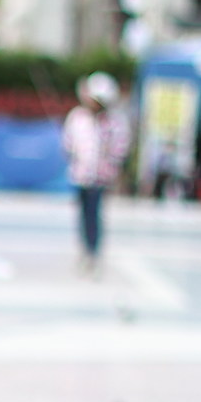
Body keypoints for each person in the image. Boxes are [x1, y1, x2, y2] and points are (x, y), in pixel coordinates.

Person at [61, 73, 129, 271]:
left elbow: (120, 149)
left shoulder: (114, 122)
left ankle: (94, 251)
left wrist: (112, 165)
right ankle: (84, 248)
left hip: (101, 177)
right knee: (82, 213)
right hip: (80, 174)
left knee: (94, 213)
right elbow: (69, 143)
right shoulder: (77, 118)